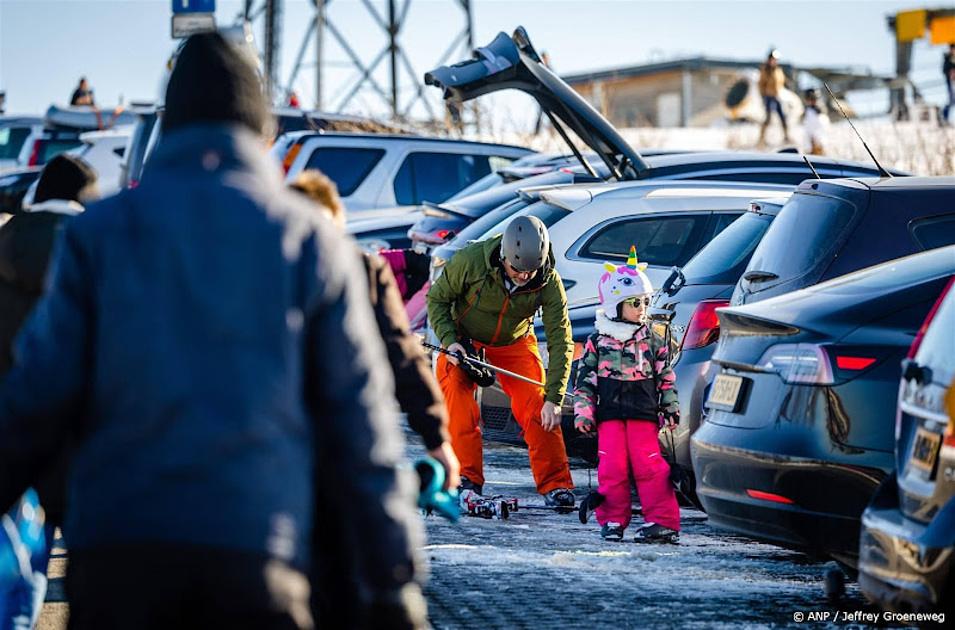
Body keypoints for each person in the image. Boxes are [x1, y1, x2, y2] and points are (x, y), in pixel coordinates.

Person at [0, 32, 426, 630]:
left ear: (170, 125)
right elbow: (360, 422)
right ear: (261, 130)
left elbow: (32, 400)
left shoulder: (97, 236)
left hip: (120, 560)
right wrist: (392, 580)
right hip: (260, 551)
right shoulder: (310, 240)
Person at [427, 215, 576, 511]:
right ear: (503, 257)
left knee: (538, 404)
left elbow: (561, 338)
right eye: (517, 270)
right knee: (457, 399)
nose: (523, 276)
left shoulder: (548, 280)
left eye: (530, 272)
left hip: (514, 342)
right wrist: (450, 340)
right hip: (464, 339)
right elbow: (437, 299)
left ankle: (556, 484)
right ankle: (466, 478)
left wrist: (555, 397)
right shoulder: (471, 261)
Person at [572, 246, 680, 544]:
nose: (641, 308)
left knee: (649, 466)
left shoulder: (652, 339)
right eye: (634, 302)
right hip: (609, 416)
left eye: (645, 302)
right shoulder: (598, 341)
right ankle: (612, 521)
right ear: (615, 305)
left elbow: (665, 375)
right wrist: (583, 412)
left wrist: (670, 406)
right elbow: (585, 382)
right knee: (612, 468)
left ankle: (663, 521)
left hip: (643, 413)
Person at [757, 50, 791, 145]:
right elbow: (760, 84)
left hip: (778, 96)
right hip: (768, 96)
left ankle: (786, 136)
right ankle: (762, 138)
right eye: (772, 59)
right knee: (768, 118)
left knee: (783, 117)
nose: (774, 61)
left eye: (775, 60)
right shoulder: (765, 71)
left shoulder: (778, 70)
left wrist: (787, 84)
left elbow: (782, 81)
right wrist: (763, 95)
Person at [802, 88, 828, 156]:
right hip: (810, 144)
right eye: (809, 99)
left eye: (813, 99)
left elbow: (821, 129)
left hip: (818, 142)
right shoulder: (807, 110)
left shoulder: (819, 112)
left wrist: (815, 141)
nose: (811, 101)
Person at [943, 44, 955, 125]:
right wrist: (950, 72)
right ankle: (945, 118)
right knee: (951, 100)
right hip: (951, 83)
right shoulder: (947, 58)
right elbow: (945, 70)